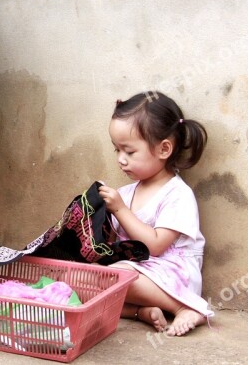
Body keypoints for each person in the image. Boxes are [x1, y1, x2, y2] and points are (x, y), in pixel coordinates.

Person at [98, 91, 213, 336]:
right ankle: (142, 311)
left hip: (172, 274)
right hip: (136, 272)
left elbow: (156, 246)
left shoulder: (177, 194)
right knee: (85, 279)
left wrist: (120, 210)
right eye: (116, 150)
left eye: (129, 152)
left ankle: (184, 306)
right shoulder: (127, 192)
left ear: (164, 149)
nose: (121, 160)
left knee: (116, 276)